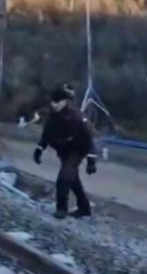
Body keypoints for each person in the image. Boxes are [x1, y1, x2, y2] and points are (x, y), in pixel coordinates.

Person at [33, 84, 98, 219]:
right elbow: (46, 135)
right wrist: (39, 149)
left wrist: (91, 161)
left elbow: (89, 138)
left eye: (57, 101)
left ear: (63, 102)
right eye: (52, 101)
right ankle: (84, 208)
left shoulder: (76, 117)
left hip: (77, 150)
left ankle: (61, 209)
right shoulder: (52, 117)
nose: (53, 104)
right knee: (72, 179)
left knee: (64, 178)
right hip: (63, 151)